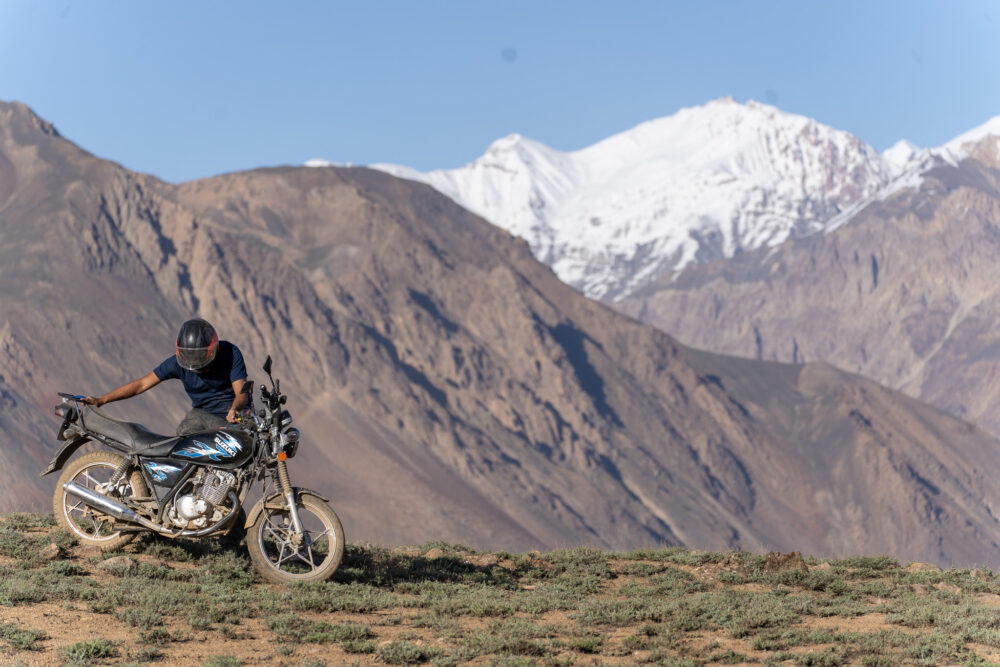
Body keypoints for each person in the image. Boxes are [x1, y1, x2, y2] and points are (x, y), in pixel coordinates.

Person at [84, 318, 249, 436]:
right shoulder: (176, 363)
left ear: (213, 349)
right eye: (190, 358)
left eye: (200, 358)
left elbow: (241, 393)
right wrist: (101, 400)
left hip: (233, 415)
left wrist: (234, 410)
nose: (195, 364)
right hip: (202, 413)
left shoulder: (230, 353)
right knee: (182, 441)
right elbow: (141, 384)